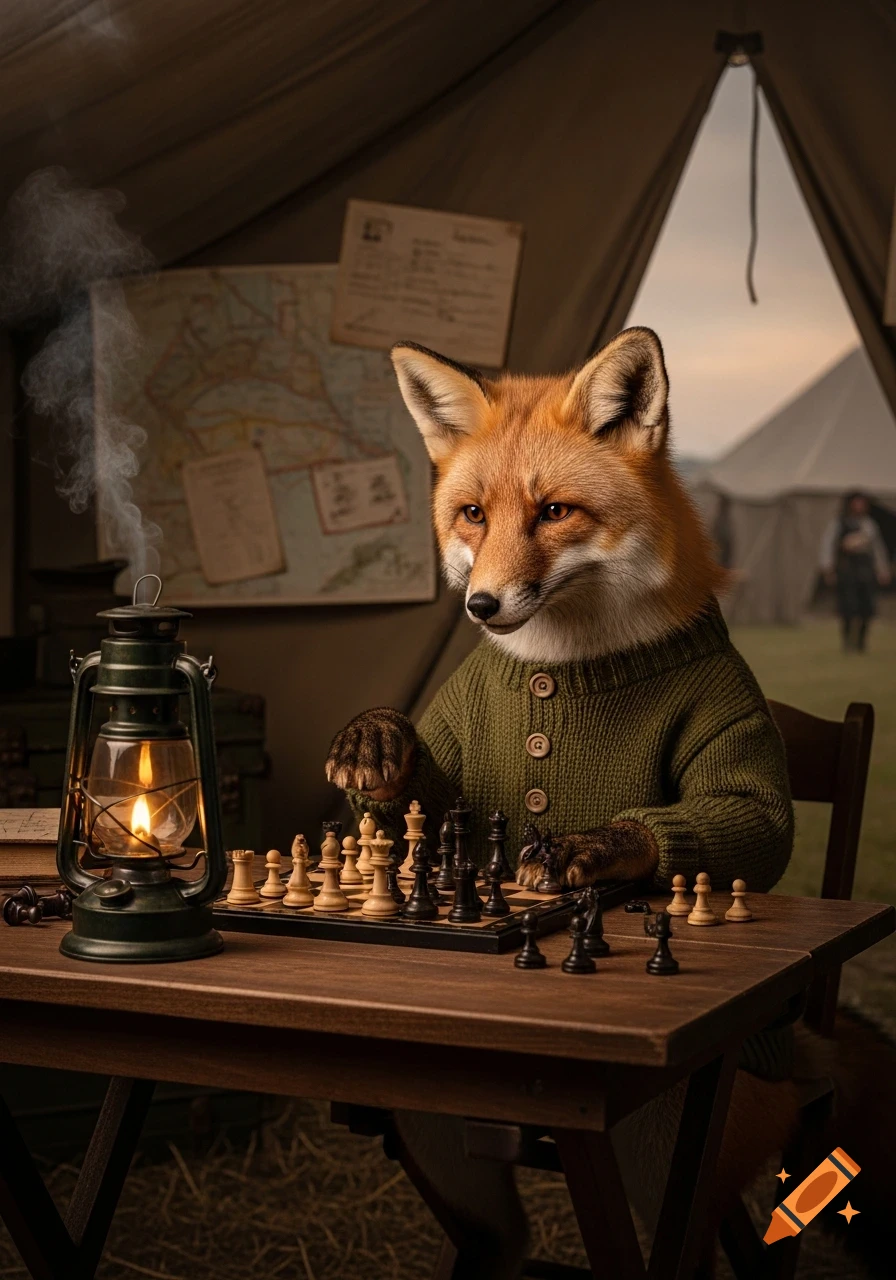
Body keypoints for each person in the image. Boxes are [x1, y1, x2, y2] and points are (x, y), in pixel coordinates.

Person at [819, 491, 891, 651]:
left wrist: (882, 569)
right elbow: (828, 545)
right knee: (848, 606)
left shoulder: (869, 524)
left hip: (865, 569)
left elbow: (877, 549)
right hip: (847, 569)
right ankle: (847, 642)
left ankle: (861, 642)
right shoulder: (839, 523)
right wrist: (828, 568)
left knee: (867, 606)